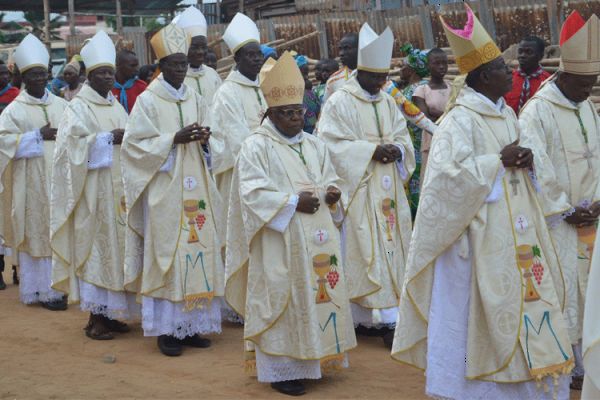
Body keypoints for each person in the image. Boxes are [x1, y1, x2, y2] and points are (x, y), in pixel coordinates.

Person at [391, 5, 573, 399]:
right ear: (482, 76)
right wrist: (497, 161)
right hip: (476, 241)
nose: (509, 75)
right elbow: (444, 182)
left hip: (519, 231)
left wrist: (528, 160)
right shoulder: (458, 121)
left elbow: (521, 158)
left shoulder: (506, 114)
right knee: (478, 318)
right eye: (502, 71)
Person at [225, 51, 356, 397]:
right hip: (280, 240)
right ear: (270, 113)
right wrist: (291, 202)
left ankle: (315, 358)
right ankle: (282, 369)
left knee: (316, 293)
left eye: (299, 111)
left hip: (318, 235)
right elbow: (250, 193)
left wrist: (332, 193)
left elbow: (331, 178)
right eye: (287, 112)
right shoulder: (255, 147)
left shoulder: (314, 144)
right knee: (285, 297)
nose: (296, 118)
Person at [121, 24, 224, 357]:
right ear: (161, 66)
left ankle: (192, 325)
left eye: (183, 64)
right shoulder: (149, 101)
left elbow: (216, 139)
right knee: (170, 256)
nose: (181, 69)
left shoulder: (195, 96)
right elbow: (134, 147)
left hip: (196, 182)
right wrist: (172, 140)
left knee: (197, 252)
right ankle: (167, 330)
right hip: (165, 191)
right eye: (174, 64)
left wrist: (208, 142)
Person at [319, 24, 415, 348]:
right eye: (374, 77)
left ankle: (389, 316)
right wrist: (369, 150)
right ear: (359, 71)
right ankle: (369, 318)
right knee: (361, 252)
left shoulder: (387, 102)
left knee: (391, 250)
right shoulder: (339, 101)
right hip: (360, 189)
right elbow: (328, 143)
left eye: (383, 77)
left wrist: (398, 151)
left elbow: (403, 137)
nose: (379, 83)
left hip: (388, 190)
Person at [519, 11, 600, 391]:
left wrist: (597, 201)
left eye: (593, 84)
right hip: (560, 221)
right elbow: (537, 166)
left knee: (593, 291)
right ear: (564, 77)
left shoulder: (585, 105)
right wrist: (567, 208)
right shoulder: (537, 110)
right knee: (566, 290)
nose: (589, 92)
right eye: (585, 85)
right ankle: (569, 363)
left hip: (593, 216)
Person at [50, 31, 138, 340]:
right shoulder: (78, 107)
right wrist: (105, 139)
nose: (107, 78)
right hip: (93, 193)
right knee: (98, 250)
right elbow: (68, 149)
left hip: (120, 191)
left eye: (110, 73)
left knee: (119, 251)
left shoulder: (116, 106)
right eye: (101, 73)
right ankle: (96, 317)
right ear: (88, 75)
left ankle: (111, 314)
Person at [0, 34, 68, 310]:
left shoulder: (62, 106)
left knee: (58, 230)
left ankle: (60, 287)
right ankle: (40, 290)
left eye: (43, 73)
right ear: (24, 79)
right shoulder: (14, 111)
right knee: (37, 232)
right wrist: (36, 136)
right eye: (34, 75)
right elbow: (3, 142)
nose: (40, 79)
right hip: (31, 183)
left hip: (60, 181)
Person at [381, 78, 437, 219]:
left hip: (390, 150)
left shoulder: (387, 86)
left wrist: (437, 131)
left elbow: (408, 109)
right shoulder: (345, 91)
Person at [412, 48, 450, 179]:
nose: (441, 67)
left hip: (453, 138)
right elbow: (426, 120)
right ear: (428, 65)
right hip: (432, 140)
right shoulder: (421, 91)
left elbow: (461, 115)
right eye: (436, 63)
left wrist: (436, 112)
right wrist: (448, 114)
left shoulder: (453, 88)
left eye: (444, 63)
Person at [174, 6, 222, 103]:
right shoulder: (175, 76)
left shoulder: (212, 74)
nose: (200, 52)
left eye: (204, 47)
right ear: (184, 47)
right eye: (194, 47)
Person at [505, 36, 551, 114]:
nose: (522, 55)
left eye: (529, 52)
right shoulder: (507, 79)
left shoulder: (548, 82)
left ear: (540, 56)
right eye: (520, 51)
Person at [321, 33, 358, 104]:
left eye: (347, 48)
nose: (341, 53)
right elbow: (326, 109)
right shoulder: (334, 80)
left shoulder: (373, 77)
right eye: (340, 49)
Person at [295, 54, 319, 133]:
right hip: (303, 128)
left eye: (306, 74)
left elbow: (317, 107)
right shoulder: (294, 92)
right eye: (303, 74)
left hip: (314, 126)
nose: (306, 77)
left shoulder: (310, 91)